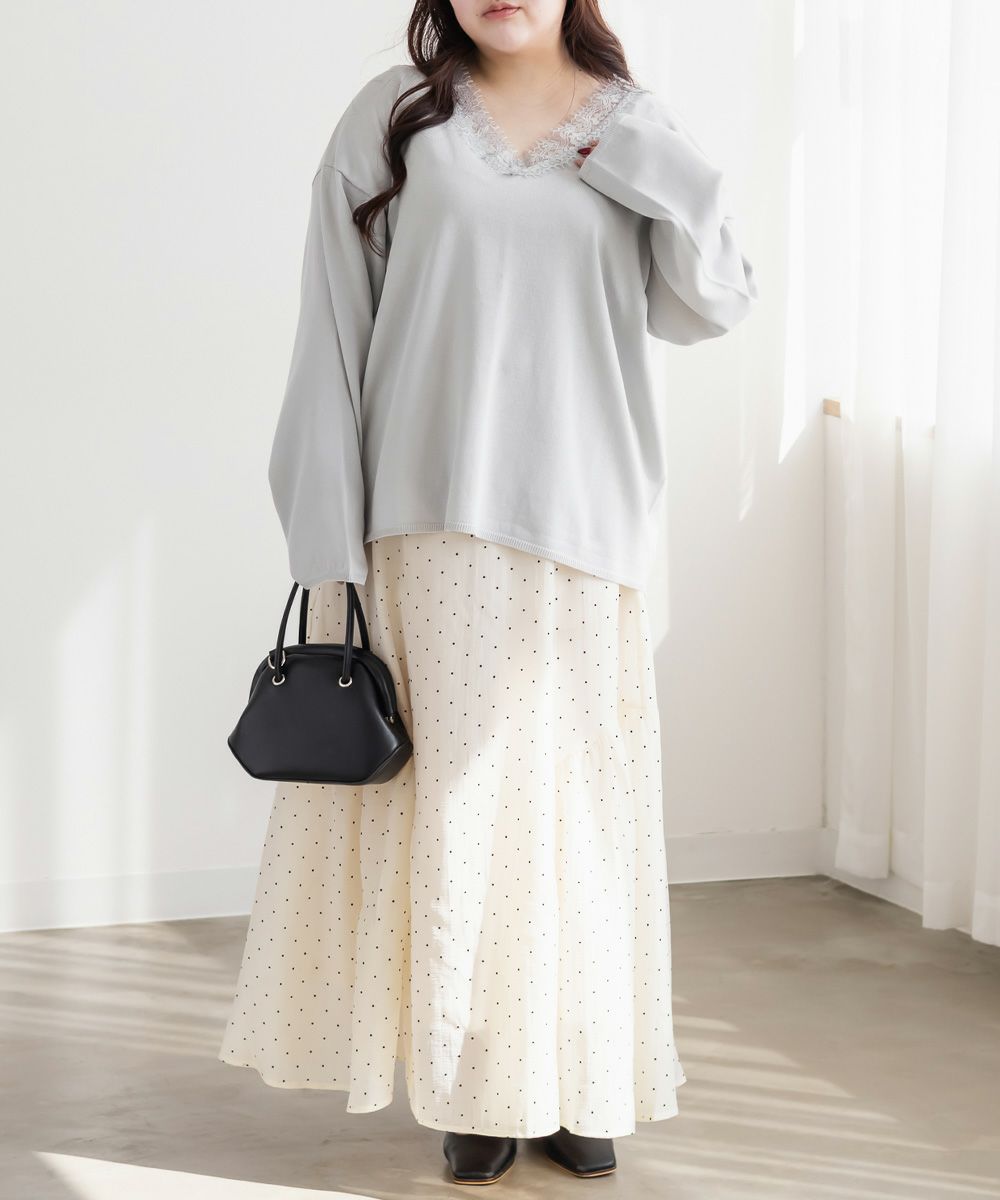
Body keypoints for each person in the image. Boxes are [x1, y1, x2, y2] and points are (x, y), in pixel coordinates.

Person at [219, 0, 757, 1186]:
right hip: (424, 520)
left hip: (582, 529)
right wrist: (325, 533)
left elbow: (711, 301)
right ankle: (475, 1090)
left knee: (574, 821)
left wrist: (646, 156)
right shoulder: (396, 118)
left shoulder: (632, 124)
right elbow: (332, 327)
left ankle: (571, 1081)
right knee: (456, 821)